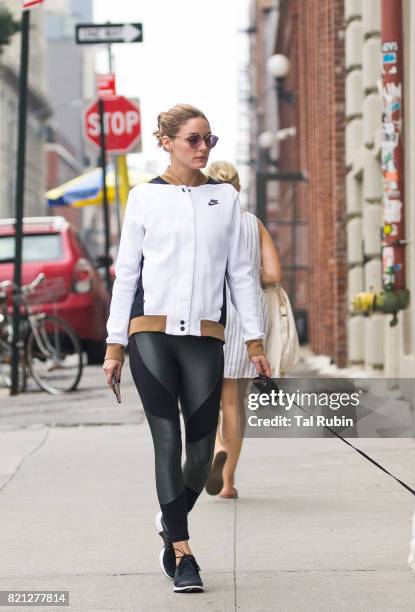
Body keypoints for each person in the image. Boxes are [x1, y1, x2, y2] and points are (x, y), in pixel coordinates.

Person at [102, 104, 271, 594]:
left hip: (205, 336)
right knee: (167, 441)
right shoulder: (143, 199)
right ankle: (182, 551)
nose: (202, 148)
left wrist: (255, 340)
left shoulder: (226, 199)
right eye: (193, 139)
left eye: (208, 140)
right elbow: (126, 274)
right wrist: (115, 346)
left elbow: (242, 275)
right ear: (167, 141)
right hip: (149, 334)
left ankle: (170, 516)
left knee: (200, 455)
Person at [204, 161, 282, 499]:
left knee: (207, 398)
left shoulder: (203, 224)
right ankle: (228, 482)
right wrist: (251, 271)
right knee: (235, 401)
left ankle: (216, 445)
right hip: (248, 315)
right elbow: (273, 274)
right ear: (238, 187)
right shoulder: (253, 224)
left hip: (210, 312)